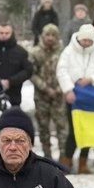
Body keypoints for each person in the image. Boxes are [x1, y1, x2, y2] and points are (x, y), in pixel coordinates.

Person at [57, 24, 94, 174]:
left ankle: (83, 163)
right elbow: (61, 71)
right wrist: (68, 90)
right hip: (74, 97)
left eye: (89, 40)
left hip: (92, 97)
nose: (87, 43)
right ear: (79, 38)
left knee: (88, 130)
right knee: (73, 130)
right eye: (84, 40)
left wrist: (92, 79)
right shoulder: (68, 52)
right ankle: (67, 162)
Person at [29, 24, 66, 160]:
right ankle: (47, 157)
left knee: (62, 127)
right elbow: (31, 73)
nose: (50, 38)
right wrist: (45, 88)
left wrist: (60, 88)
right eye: (47, 35)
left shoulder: (63, 53)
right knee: (43, 127)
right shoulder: (35, 52)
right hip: (41, 96)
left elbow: (69, 72)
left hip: (59, 95)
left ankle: (63, 158)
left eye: (53, 35)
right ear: (42, 36)